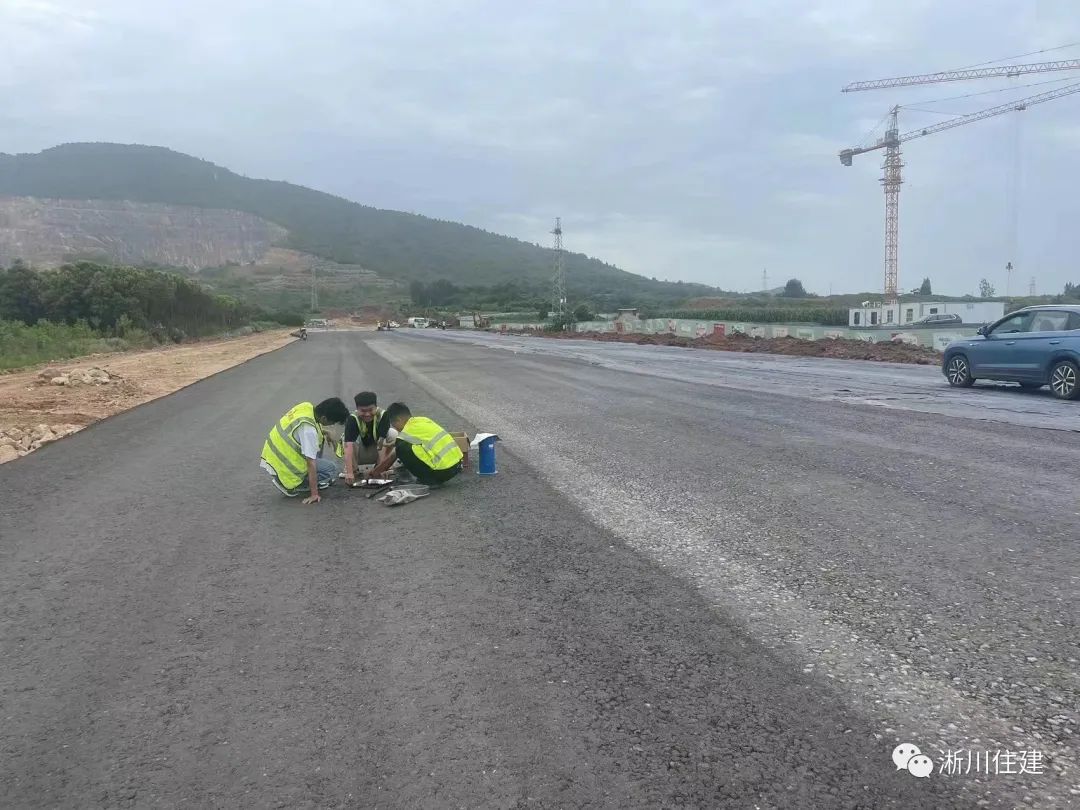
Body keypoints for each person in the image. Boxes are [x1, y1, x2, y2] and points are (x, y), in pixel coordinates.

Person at [260, 397, 350, 504]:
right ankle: (296, 486)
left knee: (318, 441)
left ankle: (296, 480)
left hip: (273, 459)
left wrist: (325, 432)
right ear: (324, 418)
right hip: (286, 470)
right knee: (331, 469)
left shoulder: (306, 407)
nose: (331, 425)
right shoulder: (309, 431)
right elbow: (310, 462)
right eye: (332, 423)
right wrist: (314, 494)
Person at [367, 402, 463, 486]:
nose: (395, 428)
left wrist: (376, 472)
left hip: (443, 471)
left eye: (394, 424)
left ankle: (429, 481)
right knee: (408, 446)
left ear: (399, 420)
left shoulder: (405, 435)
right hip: (457, 465)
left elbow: (394, 454)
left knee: (402, 447)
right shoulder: (422, 420)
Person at [342, 391, 392, 485]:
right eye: (363, 411)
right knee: (345, 438)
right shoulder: (352, 419)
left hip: (376, 451)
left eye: (370, 410)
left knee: (392, 434)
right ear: (357, 409)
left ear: (376, 407)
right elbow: (348, 445)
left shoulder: (383, 415)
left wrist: (380, 469)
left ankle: (382, 467)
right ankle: (354, 470)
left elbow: (382, 443)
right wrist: (349, 472)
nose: (367, 414)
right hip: (360, 454)